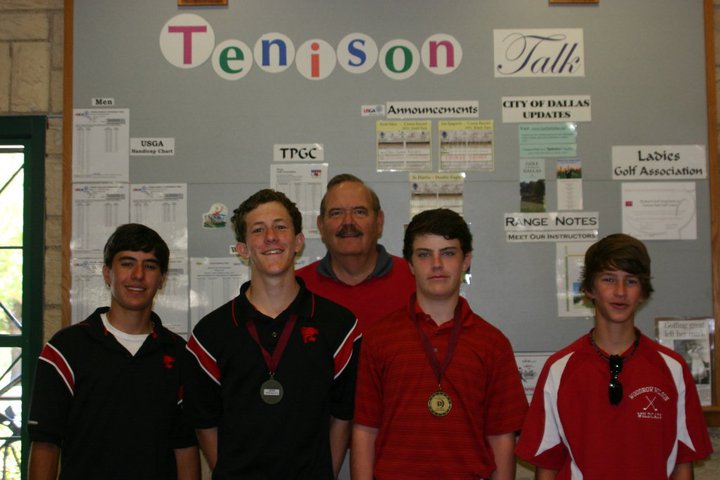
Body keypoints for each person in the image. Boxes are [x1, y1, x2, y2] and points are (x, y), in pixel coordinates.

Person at [184, 189, 361, 479]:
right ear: (242, 249)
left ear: (298, 241)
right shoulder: (210, 334)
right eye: (258, 230)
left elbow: (342, 416)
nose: (270, 237)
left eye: (280, 227)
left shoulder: (339, 326)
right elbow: (205, 422)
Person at [515, 233, 713, 479]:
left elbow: (683, 463)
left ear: (643, 292)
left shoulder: (673, 368)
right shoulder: (559, 369)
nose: (620, 291)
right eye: (608, 279)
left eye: (631, 281)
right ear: (589, 289)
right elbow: (547, 463)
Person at [352, 208, 528, 480]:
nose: (436, 264)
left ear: (466, 260)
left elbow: (501, 436)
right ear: (410, 265)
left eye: (448, 253)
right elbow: (365, 430)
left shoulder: (493, 344)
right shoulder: (378, 338)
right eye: (424, 254)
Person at [27, 223, 200, 480]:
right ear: (107, 273)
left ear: (162, 278)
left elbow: (185, 446)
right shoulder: (65, 350)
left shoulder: (179, 354)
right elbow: (45, 443)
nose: (138, 275)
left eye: (150, 266)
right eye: (127, 263)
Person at [297, 174, 415, 333]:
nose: (348, 222)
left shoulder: (416, 280)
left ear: (379, 222)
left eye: (359, 212)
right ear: (321, 226)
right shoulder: (296, 287)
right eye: (336, 213)